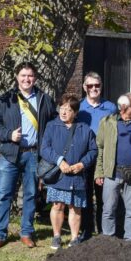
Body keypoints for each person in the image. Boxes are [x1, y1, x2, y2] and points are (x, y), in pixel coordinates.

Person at [0, 62, 56, 250]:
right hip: (10, 154)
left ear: (35, 78)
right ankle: (0, 234)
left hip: (34, 154)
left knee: (31, 194)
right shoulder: (5, 99)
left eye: (30, 76)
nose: (27, 79)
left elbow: (53, 124)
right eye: (23, 75)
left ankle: (26, 232)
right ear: (17, 77)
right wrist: (8, 135)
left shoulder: (44, 99)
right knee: (3, 195)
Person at [40, 93, 98, 249]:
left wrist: (82, 164)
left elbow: (93, 150)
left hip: (77, 175)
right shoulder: (52, 126)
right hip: (59, 175)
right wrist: (59, 161)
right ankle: (57, 236)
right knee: (57, 205)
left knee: (75, 207)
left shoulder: (85, 130)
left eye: (68, 109)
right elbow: (44, 149)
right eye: (62, 108)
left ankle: (74, 238)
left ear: (76, 112)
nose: (64, 112)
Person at [94, 93, 131, 242]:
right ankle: (108, 240)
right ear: (124, 106)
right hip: (112, 173)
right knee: (108, 210)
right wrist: (99, 172)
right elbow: (100, 147)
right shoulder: (107, 122)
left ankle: (130, 241)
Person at [77, 71, 117, 240]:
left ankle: (103, 231)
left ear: (101, 86)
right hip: (85, 156)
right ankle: (85, 230)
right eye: (90, 85)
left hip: (104, 157)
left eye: (97, 85)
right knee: (85, 195)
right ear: (84, 87)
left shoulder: (111, 107)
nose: (94, 88)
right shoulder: (79, 108)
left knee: (103, 196)